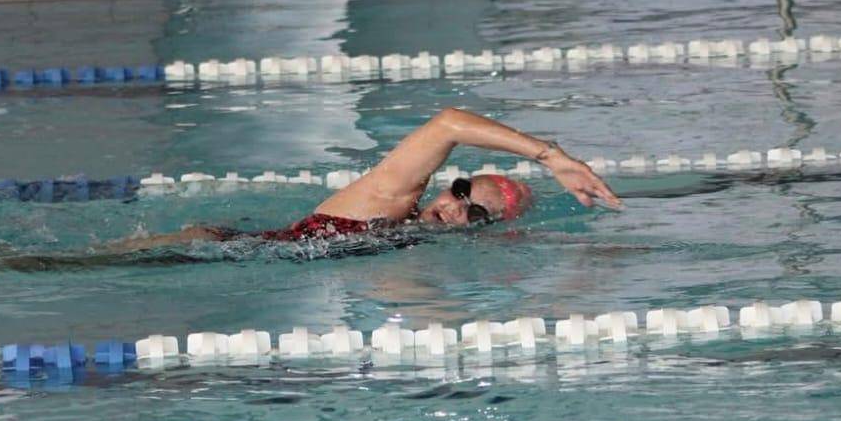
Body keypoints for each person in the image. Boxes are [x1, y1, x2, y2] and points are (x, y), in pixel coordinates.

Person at [135, 105, 621, 254]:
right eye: (461, 191)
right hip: (204, 248)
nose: (454, 207)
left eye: (473, 213)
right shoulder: (392, 201)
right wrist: (550, 156)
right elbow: (448, 124)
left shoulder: (409, 233)